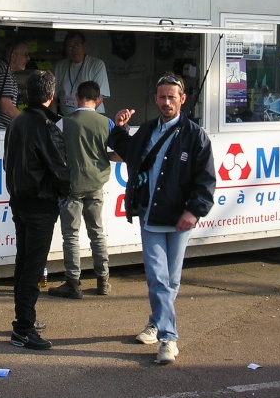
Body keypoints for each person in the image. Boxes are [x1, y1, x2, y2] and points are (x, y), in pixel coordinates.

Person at [109, 72, 215, 365]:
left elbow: (206, 180)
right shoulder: (146, 131)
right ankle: (168, 339)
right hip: (151, 216)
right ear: (155, 99)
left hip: (180, 218)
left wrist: (194, 211)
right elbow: (128, 152)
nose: (167, 102)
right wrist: (119, 128)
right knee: (158, 277)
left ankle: (155, 323)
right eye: (162, 97)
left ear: (183, 99)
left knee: (171, 279)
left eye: (172, 97)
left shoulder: (196, 136)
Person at [3, 70, 70, 350]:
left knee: (24, 262)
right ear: (52, 96)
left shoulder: (16, 124)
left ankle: (24, 320)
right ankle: (23, 328)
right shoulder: (46, 128)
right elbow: (61, 172)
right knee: (33, 266)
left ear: (28, 94)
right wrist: (62, 194)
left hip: (20, 202)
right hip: (40, 205)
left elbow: (7, 164)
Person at [48, 80, 120, 300]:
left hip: (71, 185)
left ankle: (73, 282)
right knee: (97, 232)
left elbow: (53, 154)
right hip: (96, 184)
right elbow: (117, 154)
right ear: (98, 100)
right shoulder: (106, 123)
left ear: (77, 97)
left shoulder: (63, 123)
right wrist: (102, 157)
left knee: (71, 235)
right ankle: (103, 280)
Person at [53, 31, 110, 116]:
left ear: (84, 47)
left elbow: (99, 98)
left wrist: (82, 118)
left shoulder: (97, 65)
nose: (74, 49)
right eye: (70, 46)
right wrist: (54, 119)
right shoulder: (59, 66)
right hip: (65, 117)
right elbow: (53, 97)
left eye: (77, 45)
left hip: (91, 116)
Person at [0, 39, 30, 130]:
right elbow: (6, 107)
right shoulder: (4, 72)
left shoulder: (3, 68)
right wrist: (28, 121)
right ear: (13, 56)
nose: (28, 58)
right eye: (25, 55)